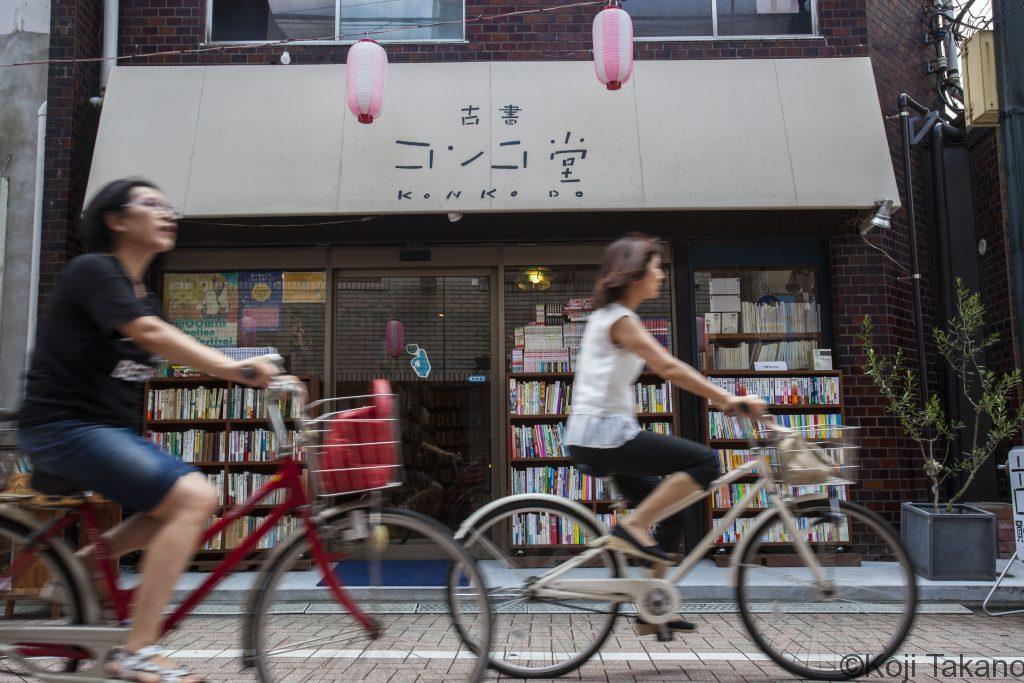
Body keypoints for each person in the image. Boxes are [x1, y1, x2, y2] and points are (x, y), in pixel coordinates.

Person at [17, 178, 283, 682]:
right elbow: (154, 336)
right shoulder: (95, 272)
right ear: (116, 220)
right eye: (149, 205)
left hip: (101, 432)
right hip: (64, 426)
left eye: (169, 207)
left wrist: (264, 372)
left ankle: (80, 565)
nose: (166, 214)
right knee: (193, 498)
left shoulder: (143, 296)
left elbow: (161, 344)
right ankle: (138, 649)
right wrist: (238, 367)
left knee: (182, 505)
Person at [565, 233, 765, 637]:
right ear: (635, 272)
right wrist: (727, 398)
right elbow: (669, 368)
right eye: (655, 267)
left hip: (599, 434)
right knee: (704, 462)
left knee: (672, 509)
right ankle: (634, 528)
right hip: (605, 435)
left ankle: (652, 606)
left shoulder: (610, 317)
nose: (660, 274)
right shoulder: (621, 319)